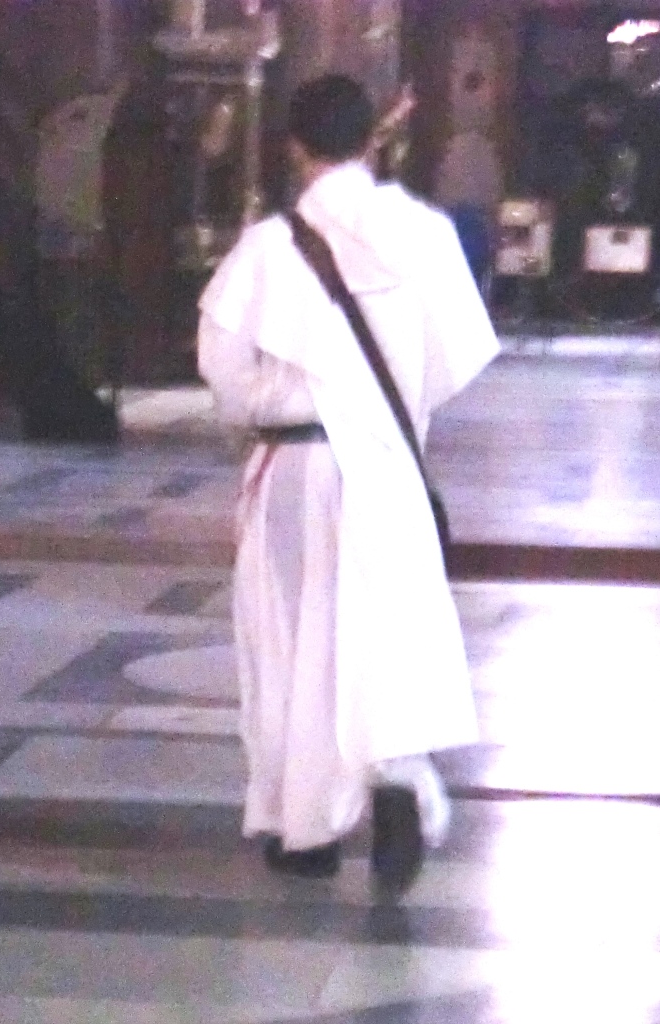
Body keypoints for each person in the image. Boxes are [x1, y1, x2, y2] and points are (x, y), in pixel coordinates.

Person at [197, 75, 499, 895]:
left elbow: (223, 367)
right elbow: (455, 357)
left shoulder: (269, 246)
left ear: (294, 146)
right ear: (372, 139)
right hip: (387, 466)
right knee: (382, 637)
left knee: (293, 643)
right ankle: (393, 778)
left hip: (296, 468)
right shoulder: (426, 233)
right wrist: (386, 407)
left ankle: (306, 831)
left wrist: (268, 402)